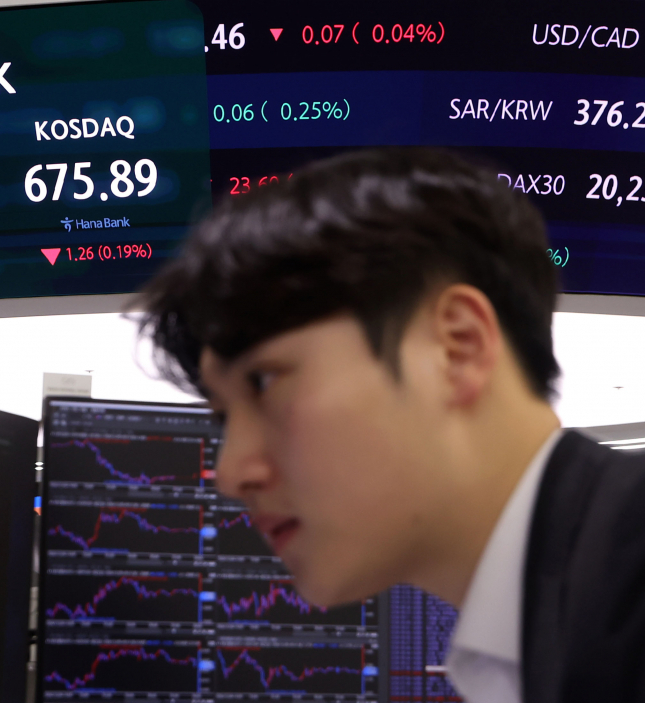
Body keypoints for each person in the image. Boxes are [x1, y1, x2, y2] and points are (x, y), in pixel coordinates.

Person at [135, 148, 645, 703]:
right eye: (225, 417)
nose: (231, 473)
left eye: (264, 383)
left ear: (458, 347)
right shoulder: (553, 626)